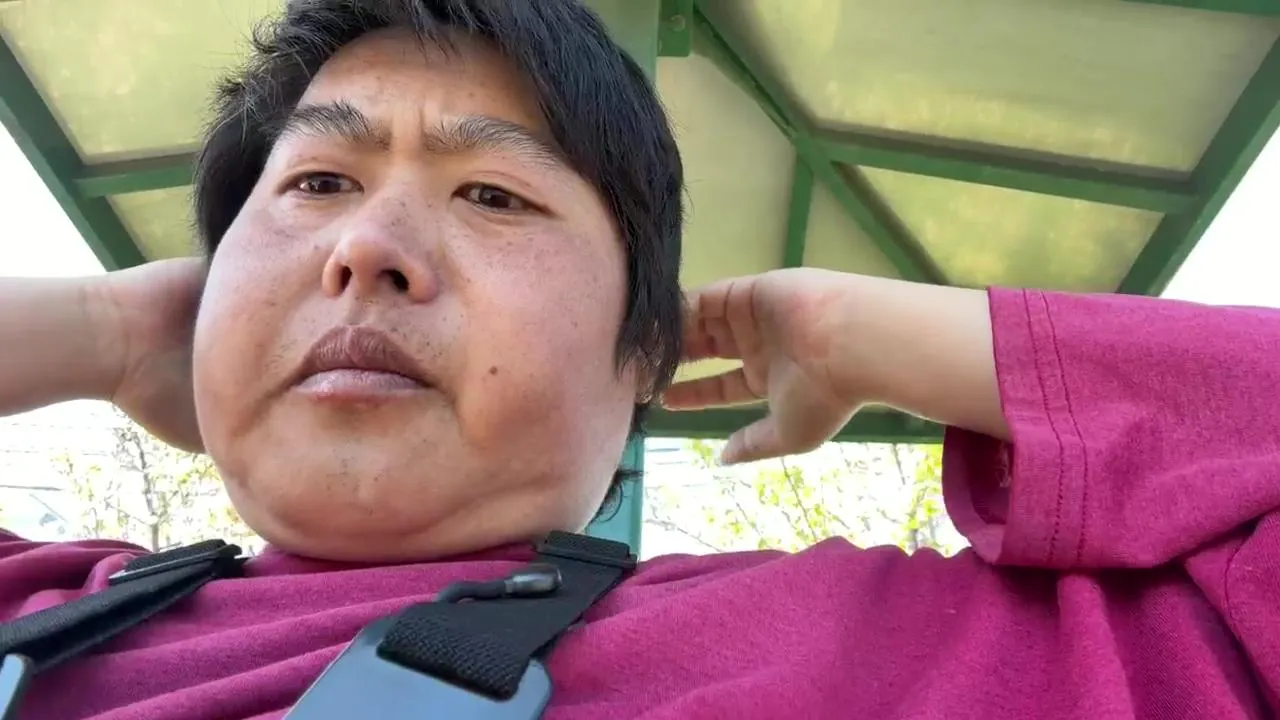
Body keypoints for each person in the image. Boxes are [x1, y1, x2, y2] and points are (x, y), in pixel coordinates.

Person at [0, 0, 1277, 717]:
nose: (367, 249)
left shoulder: (900, 654)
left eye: (493, 195)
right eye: (316, 183)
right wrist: (108, 331)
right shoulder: (42, 603)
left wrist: (877, 337)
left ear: (643, 358)